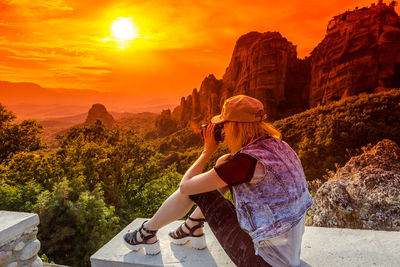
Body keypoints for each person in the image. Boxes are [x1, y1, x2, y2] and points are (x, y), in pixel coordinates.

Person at [123, 95, 314, 267]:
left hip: (262, 261)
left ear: (237, 126)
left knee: (198, 189)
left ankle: (146, 232)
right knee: (218, 172)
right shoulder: (280, 146)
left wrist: (207, 151)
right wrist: (221, 162)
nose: (222, 130)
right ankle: (191, 227)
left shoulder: (245, 163)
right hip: (287, 252)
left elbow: (186, 186)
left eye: (224, 125)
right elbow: (234, 172)